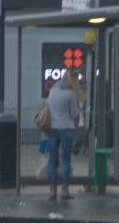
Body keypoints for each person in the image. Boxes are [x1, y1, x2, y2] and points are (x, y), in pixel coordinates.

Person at [42, 71, 81, 200]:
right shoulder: (70, 94)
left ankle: (52, 190)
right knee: (65, 160)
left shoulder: (53, 91)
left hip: (53, 129)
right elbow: (74, 114)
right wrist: (80, 108)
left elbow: (47, 107)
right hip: (66, 129)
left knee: (52, 160)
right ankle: (64, 190)